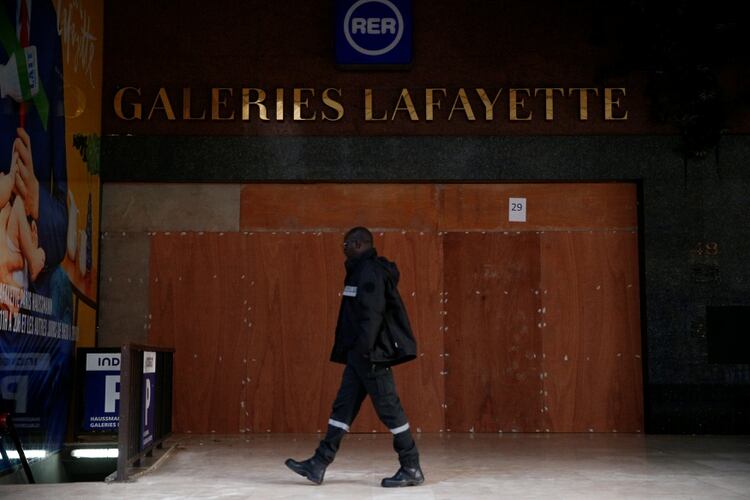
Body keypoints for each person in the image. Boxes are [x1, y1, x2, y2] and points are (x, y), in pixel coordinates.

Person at [285, 226, 425, 488]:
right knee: (343, 407)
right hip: (359, 356)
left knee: (390, 410)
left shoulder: (369, 271)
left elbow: (372, 315)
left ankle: (411, 466)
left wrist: (364, 351)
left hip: (370, 356)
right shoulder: (359, 271)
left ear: (359, 244)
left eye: (346, 245)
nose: (344, 249)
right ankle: (319, 463)